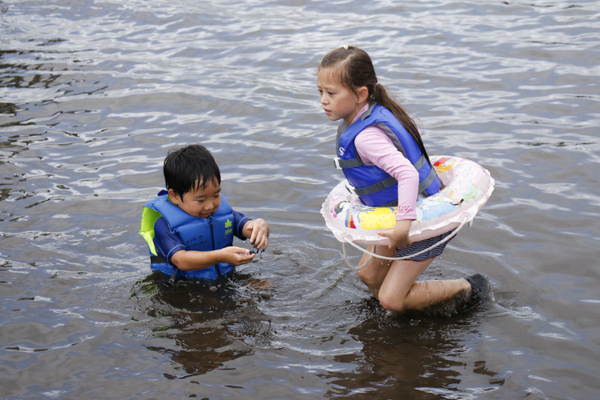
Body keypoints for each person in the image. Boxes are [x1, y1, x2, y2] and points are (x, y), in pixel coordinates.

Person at [317, 46, 489, 313]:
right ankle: (407, 312)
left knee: (390, 299)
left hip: (420, 219)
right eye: (320, 92)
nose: (323, 101)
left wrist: (403, 224)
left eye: (331, 93)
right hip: (398, 210)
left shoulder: (366, 136)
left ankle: (468, 287)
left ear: (361, 94)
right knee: (369, 276)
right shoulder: (374, 112)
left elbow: (407, 173)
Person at [139, 144, 270, 282]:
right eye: (200, 199)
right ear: (175, 196)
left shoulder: (222, 213)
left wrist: (262, 226)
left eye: (215, 195)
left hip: (224, 278)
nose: (209, 206)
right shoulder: (164, 226)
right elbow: (180, 260)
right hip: (183, 286)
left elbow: (249, 229)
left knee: (265, 285)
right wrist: (220, 256)